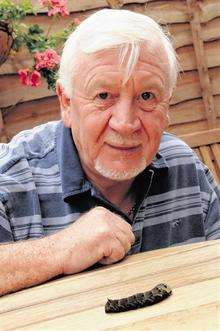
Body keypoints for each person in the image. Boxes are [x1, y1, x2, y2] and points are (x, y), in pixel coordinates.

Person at [0, 9, 219, 297]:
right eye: (104, 96)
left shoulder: (186, 169)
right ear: (66, 102)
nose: (125, 123)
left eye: (147, 96)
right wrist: (58, 250)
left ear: (167, 105)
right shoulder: (12, 176)